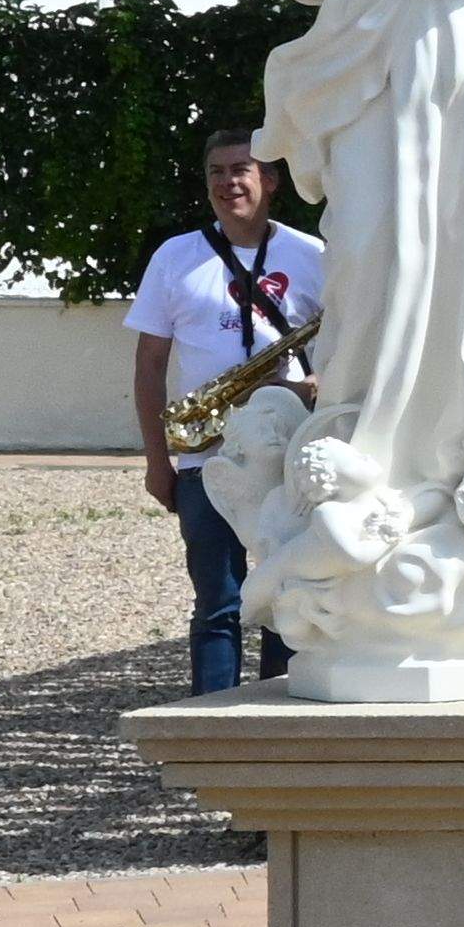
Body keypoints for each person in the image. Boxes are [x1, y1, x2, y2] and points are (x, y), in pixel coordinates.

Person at [125, 130, 327, 692]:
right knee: (216, 603)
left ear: (271, 180)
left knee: (289, 597)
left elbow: (349, 346)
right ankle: (212, 730)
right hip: (204, 457)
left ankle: (282, 731)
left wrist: (320, 380)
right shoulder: (176, 257)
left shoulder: (313, 257)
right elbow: (148, 368)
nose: (227, 182)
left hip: (287, 452)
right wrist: (157, 461)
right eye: (216, 171)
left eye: (241, 168)